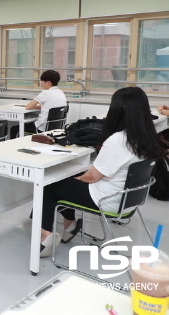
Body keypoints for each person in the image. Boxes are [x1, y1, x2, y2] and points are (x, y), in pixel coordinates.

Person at [38, 87, 165, 257]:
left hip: (106, 198)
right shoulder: (148, 137)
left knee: (49, 184)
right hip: (130, 200)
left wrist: (77, 178)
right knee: (66, 182)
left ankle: (47, 236)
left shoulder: (119, 140)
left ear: (118, 110)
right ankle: (69, 225)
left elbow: (91, 177)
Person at [10, 70, 67, 137]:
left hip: (41, 128)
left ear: (48, 83)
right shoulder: (60, 93)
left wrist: (30, 106)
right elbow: (48, 107)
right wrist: (38, 107)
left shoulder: (45, 93)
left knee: (14, 129)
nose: (41, 84)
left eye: (42, 81)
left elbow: (28, 107)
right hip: (55, 128)